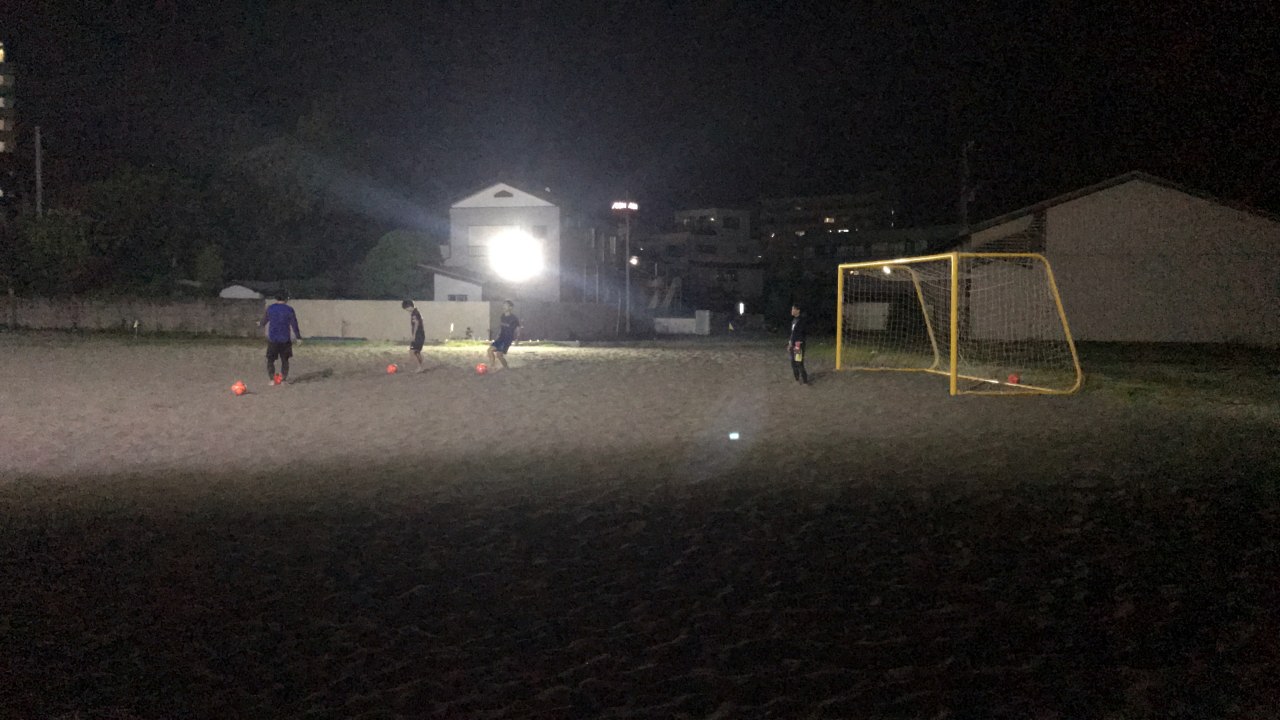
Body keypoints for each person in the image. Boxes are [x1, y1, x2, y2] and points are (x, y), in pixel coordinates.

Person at [259, 293, 302, 385]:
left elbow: (264, 321)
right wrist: (298, 337)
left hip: (273, 339)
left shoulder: (270, 308)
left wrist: (260, 323)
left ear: (276, 298)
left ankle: (272, 380)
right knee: (285, 360)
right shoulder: (289, 309)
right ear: (286, 299)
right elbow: (294, 324)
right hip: (285, 339)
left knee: (270, 360)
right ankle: (283, 380)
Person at [487, 300, 521, 370]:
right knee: (489, 350)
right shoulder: (502, 316)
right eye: (503, 305)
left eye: (506, 305)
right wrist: (498, 335)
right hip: (501, 337)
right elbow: (502, 327)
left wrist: (517, 339)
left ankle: (506, 368)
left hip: (507, 339)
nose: (503, 306)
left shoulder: (514, 318)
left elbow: (518, 329)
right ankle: (492, 366)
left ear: (510, 307)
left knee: (499, 355)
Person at [402, 300, 427, 372]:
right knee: (416, 352)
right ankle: (421, 366)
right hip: (421, 335)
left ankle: (419, 367)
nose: (406, 310)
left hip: (418, 335)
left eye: (406, 308)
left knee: (412, 352)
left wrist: (414, 335)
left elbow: (416, 324)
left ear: (409, 306)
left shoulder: (414, 314)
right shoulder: (416, 312)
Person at [788, 303, 809, 385]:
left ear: (798, 310)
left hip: (798, 344)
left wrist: (797, 344)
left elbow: (800, 334)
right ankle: (797, 379)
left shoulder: (801, 321)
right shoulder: (794, 320)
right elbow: (792, 333)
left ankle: (805, 381)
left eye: (793, 309)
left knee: (799, 362)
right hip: (793, 344)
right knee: (793, 362)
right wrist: (790, 342)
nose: (792, 311)